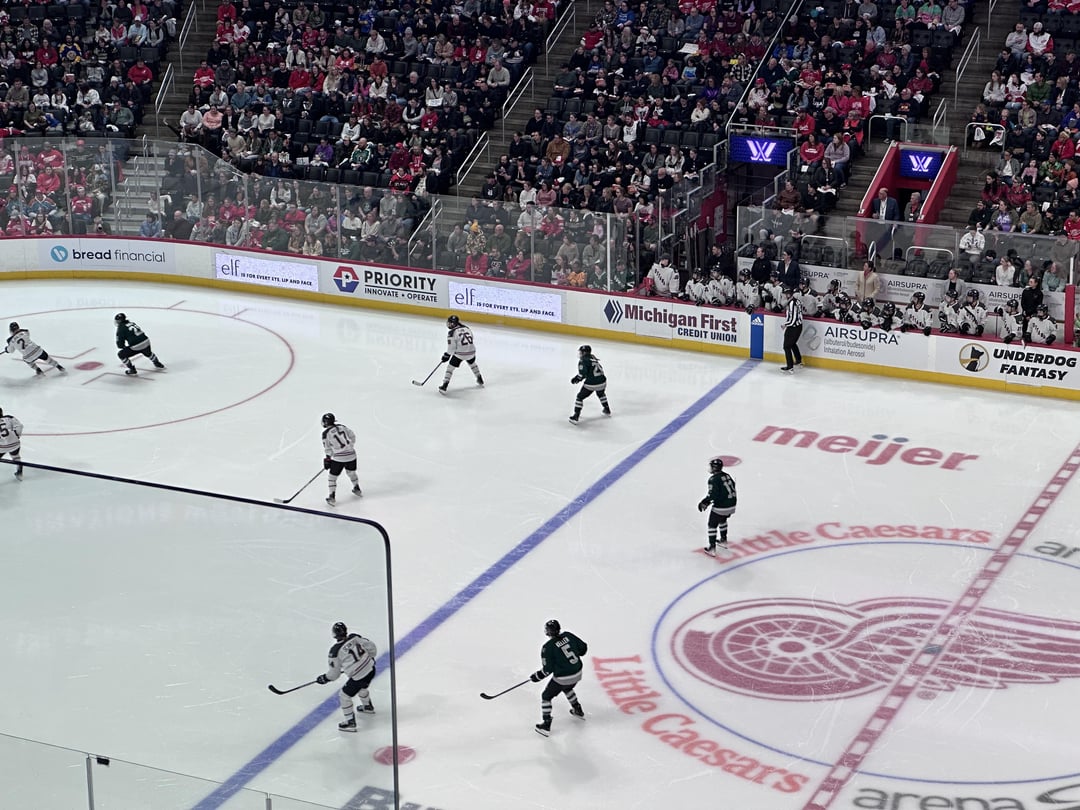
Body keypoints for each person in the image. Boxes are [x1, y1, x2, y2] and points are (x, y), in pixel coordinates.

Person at [315, 621, 377, 733]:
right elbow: (371, 646)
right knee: (362, 687)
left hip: (359, 676)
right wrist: (370, 658)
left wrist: (325, 678)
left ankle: (350, 722)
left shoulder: (335, 651)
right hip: (371, 669)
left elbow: (335, 674)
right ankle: (367, 706)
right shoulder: (355, 637)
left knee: (344, 695)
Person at [529, 619, 587, 737]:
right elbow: (583, 648)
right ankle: (578, 709)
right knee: (567, 687)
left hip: (563, 678)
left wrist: (536, 677)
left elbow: (547, 670)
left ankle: (546, 725)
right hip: (577, 673)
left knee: (546, 696)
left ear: (547, 632)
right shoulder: (568, 635)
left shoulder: (547, 647)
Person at [697, 456, 737, 557]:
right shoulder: (727, 475)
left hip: (722, 506)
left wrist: (705, 501)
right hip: (732, 504)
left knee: (712, 524)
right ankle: (723, 540)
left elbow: (713, 495)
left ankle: (712, 548)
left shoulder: (713, 479)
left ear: (714, 468)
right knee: (722, 519)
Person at [321, 413, 362, 506]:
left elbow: (327, 448)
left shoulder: (326, 433)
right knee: (351, 472)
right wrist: (349, 447)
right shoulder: (343, 427)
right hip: (352, 455)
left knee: (332, 477)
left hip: (338, 458)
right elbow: (353, 436)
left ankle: (332, 496)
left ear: (326, 422)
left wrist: (328, 458)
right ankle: (357, 488)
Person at [438, 315, 484, 394]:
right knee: (472, 364)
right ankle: (479, 378)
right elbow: (471, 338)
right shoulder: (467, 328)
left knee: (450, 368)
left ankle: (445, 385)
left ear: (453, 324)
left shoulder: (451, 333)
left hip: (460, 354)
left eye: (450, 323)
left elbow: (451, 348)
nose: (448, 324)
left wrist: (447, 355)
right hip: (472, 351)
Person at [569, 345, 610, 424]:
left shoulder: (583, 360)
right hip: (603, 382)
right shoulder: (593, 358)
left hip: (592, 384)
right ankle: (607, 409)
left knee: (579, 397)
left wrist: (575, 379)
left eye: (581, 352)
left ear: (584, 352)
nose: (580, 353)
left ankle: (576, 416)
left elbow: (582, 374)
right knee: (601, 394)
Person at [779, 287, 804, 373]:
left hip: (793, 327)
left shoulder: (792, 303)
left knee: (786, 346)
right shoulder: (797, 301)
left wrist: (785, 324)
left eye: (786, 293)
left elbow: (793, 319)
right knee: (792, 344)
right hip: (798, 326)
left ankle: (790, 366)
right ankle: (798, 360)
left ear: (790, 294)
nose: (785, 295)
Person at [0, 406, 23, 479]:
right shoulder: (9, 417)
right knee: (15, 456)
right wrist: (16, 435)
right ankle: (19, 471)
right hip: (14, 444)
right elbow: (20, 426)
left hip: (1, 447)